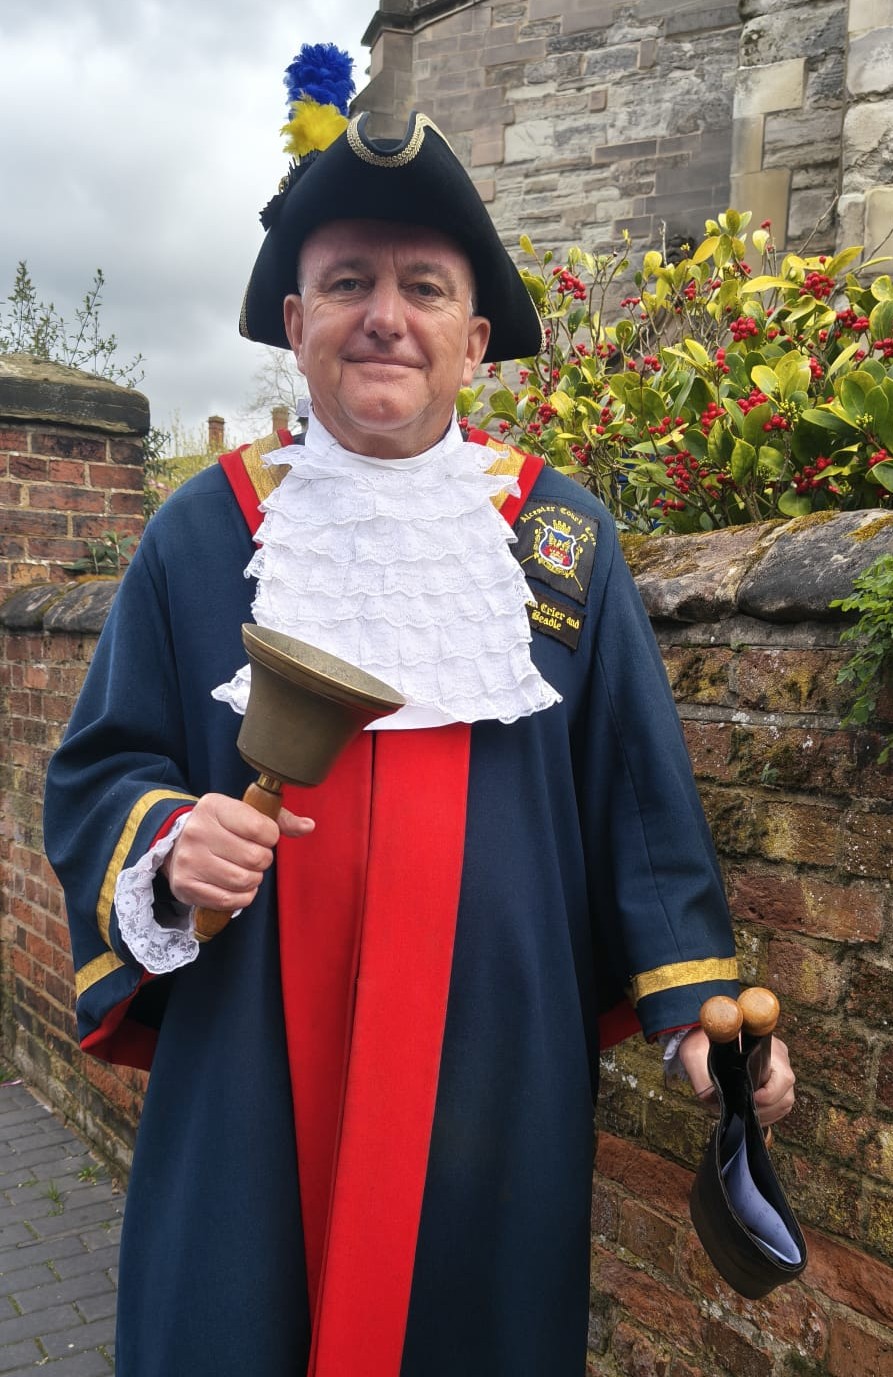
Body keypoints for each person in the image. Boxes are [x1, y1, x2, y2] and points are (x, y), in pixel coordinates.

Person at [44, 48, 794, 1377]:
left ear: (475, 339)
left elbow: (635, 803)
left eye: (423, 288)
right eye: (348, 283)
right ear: (296, 322)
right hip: (251, 1072)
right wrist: (167, 845)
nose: (383, 316)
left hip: (491, 1085)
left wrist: (698, 1022)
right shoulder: (199, 534)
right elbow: (99, 772)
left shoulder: (563, 539)